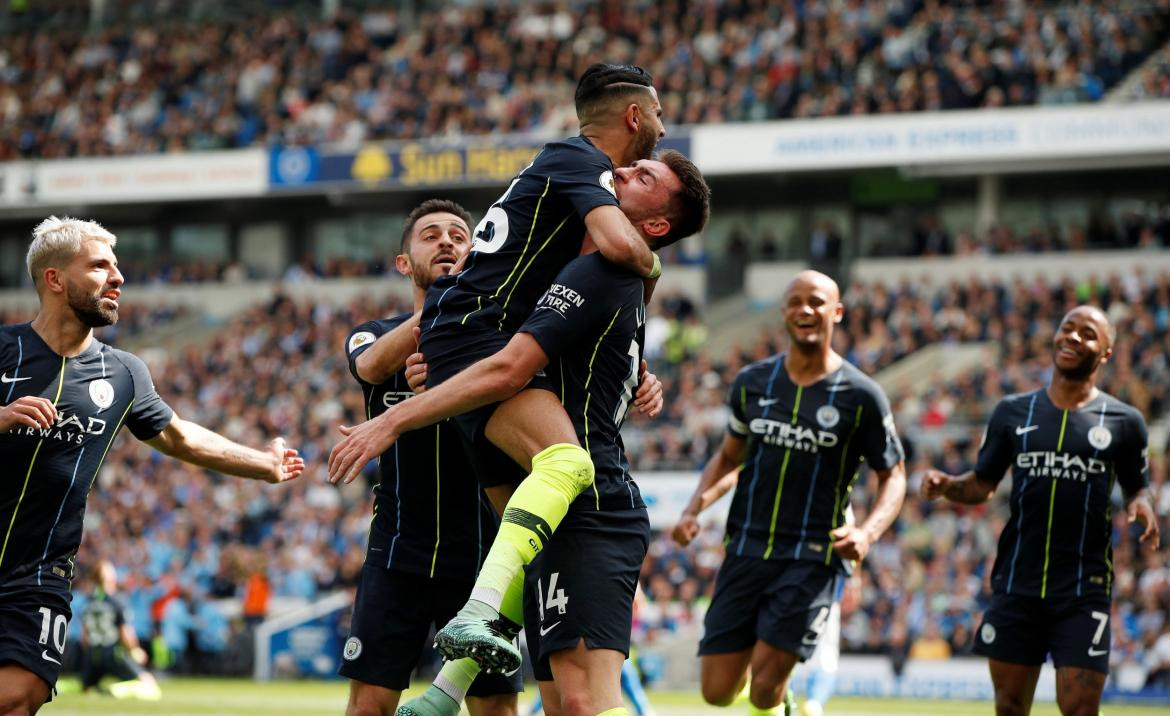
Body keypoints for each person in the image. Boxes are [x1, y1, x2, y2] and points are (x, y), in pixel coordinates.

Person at [330, 64, 673, 675]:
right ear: (633, 117)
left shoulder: (565, 179)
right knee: (568, 464)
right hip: (475, 335)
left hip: (467, 335)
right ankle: (480, 615)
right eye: (659, 116)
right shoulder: (577, 159)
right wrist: (655, 265)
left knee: (519, 535)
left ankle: (444, 691)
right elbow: (622, 248)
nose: (662, 128)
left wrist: (634, 359)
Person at [394, 150, 709, 716]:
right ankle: (451, 682)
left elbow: (508, 367)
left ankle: (456, 666)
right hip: (564, 511)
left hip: (597, 505)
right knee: (564, 704)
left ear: (655, 226)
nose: (619, 172)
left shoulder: (601, 271)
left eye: (643, 178)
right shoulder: (597, 271)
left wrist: (393, 418)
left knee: (586, 701)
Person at [0, 216, 304, 714]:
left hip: (39, 573)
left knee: (19, 696)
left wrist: (265, 464)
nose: (118, 277)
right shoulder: (2, 348)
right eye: (99, 266)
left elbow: (179, 436)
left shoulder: (123, 372)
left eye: (117, 266)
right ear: (54, 279)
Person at [672, 270, 906, 715]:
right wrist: (694, 508)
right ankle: (782, 701)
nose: (806, 310)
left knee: (764, 688)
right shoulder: (753, 384)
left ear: (836, 312)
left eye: (816, 302)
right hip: (746, 547)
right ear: (783, 313)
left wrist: (869, 534)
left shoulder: (862, 396)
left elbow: (894, 475)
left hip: (813, 556)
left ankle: (777, 700)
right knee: (717, 692)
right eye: (796, 301)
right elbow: (728, 459)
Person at [922, 305, 1160, 716]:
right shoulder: (1012, 412)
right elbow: (981, 485)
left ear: (1105, 353)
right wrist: (949, 487)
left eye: (1087, 334)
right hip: (1018, 583)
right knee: (1010, 707)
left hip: (1084, 589)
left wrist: (1141, 503)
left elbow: (1137, 486)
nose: (1072, 338)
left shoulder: (1125, 421)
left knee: (1081, 709)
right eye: (1067, 328)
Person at [339, 199, 520, 716]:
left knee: (496, 710)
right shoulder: (373, 335)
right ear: (404, 262)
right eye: (431, 235)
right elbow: (372, 368)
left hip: (484, 557)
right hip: (397, 553)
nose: (446, 241)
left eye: (460, 236)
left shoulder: (498, 339)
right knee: (368, 706)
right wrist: (439, 311)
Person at [78, 561, 160, 700]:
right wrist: (135, 651)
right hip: (114, 655)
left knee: (86, 686)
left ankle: (87, 686)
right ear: (109, 578)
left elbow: (84, 638)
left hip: (94, 655)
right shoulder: (117, 601)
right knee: (149, 684)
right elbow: (125, 633)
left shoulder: (88, 603)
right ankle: (116, 690)